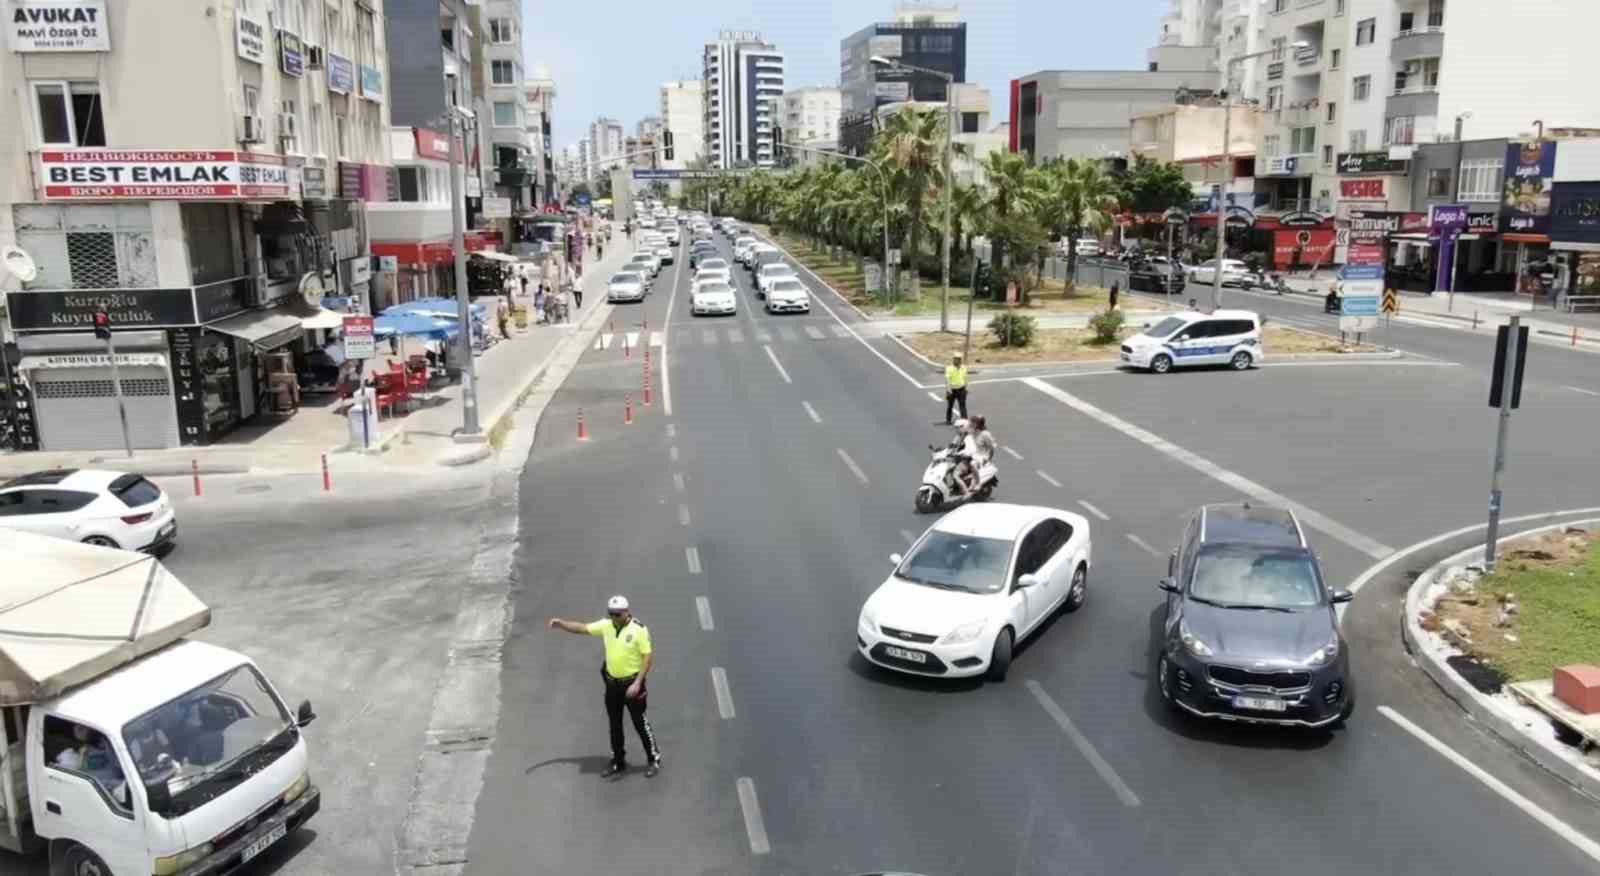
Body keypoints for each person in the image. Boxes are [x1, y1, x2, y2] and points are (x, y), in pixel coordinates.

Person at [548, 596, 662, 778]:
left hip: (632, 684)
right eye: (611, 614)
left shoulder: (639, 630)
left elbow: (647, 657)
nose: (614, 617)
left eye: (617, 614)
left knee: (640, 723)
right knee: (614, 724)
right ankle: (618, 761)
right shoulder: (607, 625)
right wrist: (561, 624)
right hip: (612, 685)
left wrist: (638, 683)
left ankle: (653, 759)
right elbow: (582, 628)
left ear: (626, 612)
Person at [944, 352, 969, 425]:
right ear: (954, 359)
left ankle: (964, 420)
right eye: (956, 359)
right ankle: (948, 420)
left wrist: (966, 387)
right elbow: (947, 379)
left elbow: (965, 378)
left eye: (959, 359)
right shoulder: (949, 368)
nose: (958, 360)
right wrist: (948, 390)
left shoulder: (964, 368)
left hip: (961, 389)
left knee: (962, 405)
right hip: (952, 390)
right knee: (950, 406)